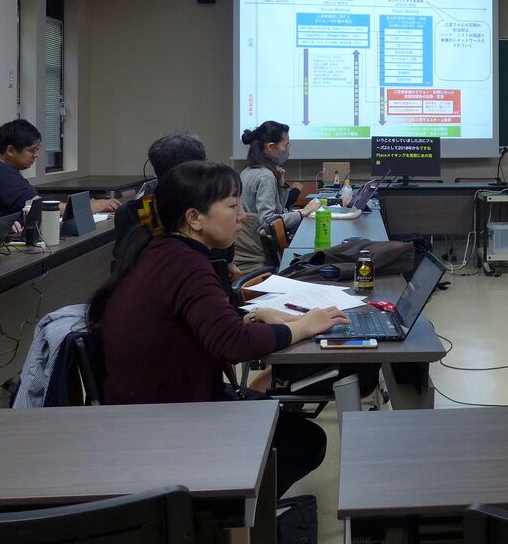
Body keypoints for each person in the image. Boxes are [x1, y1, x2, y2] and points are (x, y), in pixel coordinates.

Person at [88, 160, 349, 495]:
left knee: (278, 418)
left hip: (148, 409)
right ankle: (227, 512)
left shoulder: (160, 250)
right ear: (194, 218)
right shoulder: (186, 263)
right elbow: (233, 344)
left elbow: (201, 325)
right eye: (232, 206)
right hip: (169, 420)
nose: (242, 215)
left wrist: (255, 315)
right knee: (305, 441)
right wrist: (304, 327)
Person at [0, 119, 118, 217]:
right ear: (11, 150)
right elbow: (35, 206)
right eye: (32, 150)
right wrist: (87, 207)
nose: (36, 155)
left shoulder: (4, 169)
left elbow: (34, 201)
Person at [240, 121, 320, 237]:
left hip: (248, 241)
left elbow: (279, 211)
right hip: (260, 244)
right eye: (286, 146)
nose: (288, 150)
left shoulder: (246, 172)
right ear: (271, 147)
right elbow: (268, 222)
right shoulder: (266, 177)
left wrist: (281, 185)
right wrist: (303, 212)